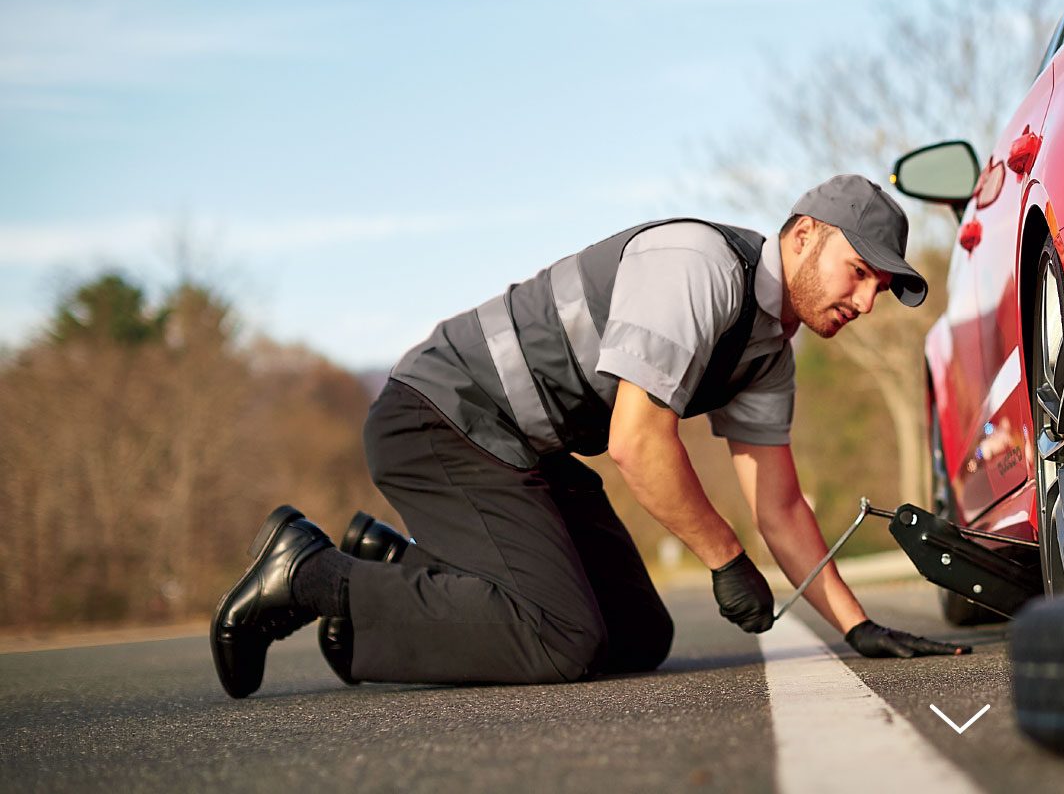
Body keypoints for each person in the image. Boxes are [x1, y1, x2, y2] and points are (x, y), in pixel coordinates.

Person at [212, 174, 969, 698]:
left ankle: (399, 568)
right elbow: (639, 445)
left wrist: (858, 627)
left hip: (528, 448)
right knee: (561, 638)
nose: (867, 300)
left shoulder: (770, 350)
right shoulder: (699, 266)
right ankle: (313, 574)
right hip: (443, 418)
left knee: (639, 636)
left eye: (881, 287)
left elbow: (781, 506)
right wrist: (724, 558)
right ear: (803, 235)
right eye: (859, 271)